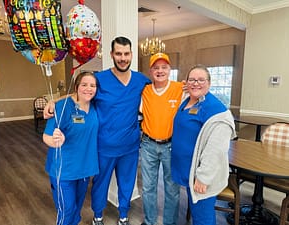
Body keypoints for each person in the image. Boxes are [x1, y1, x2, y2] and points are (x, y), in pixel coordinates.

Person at [44, 36, 150, 225]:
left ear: (132, 55)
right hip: (103, 145)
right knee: (100, 184)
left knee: (127, 183)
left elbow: (160, 90)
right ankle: (98, 216)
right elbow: (80, 92)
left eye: (126, 54)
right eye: (118, 53)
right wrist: (54, 102)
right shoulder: (99, 79)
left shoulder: (141, 80)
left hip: (130, 146)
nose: (123, 58)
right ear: (112, 55)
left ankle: (124, 215)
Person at [171, 64, 237, 225]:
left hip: (201, 175)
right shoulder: (188, 101)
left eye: (201, 80)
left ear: (209, 83)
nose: (196, 83)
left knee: (203, 217)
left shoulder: (216, 111)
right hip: (188, 171)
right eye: (192, 79)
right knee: (196, 212)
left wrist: (203, 177)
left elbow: (216, 150)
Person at [43, 71, 99, 225]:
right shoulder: (62, 107)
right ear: (76, 87)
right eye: (84, 85)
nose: (89, 89)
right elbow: (46, 136)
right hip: (63, 170)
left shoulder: (95, 106)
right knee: (66, 211)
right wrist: (56, 141)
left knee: (76, 209)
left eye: (92, 85)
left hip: (84, 170)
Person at [139, 53, 184, 225]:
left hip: (171, 146)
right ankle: (149, 221)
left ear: (169, 70)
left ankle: (169, 223)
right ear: (150, 71)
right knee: (148, 188)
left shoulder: (180, 88)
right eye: (156, 68)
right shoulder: (145, 90)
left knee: (172, 189)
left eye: (164, 67)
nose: (160, 71)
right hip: (148, 145)